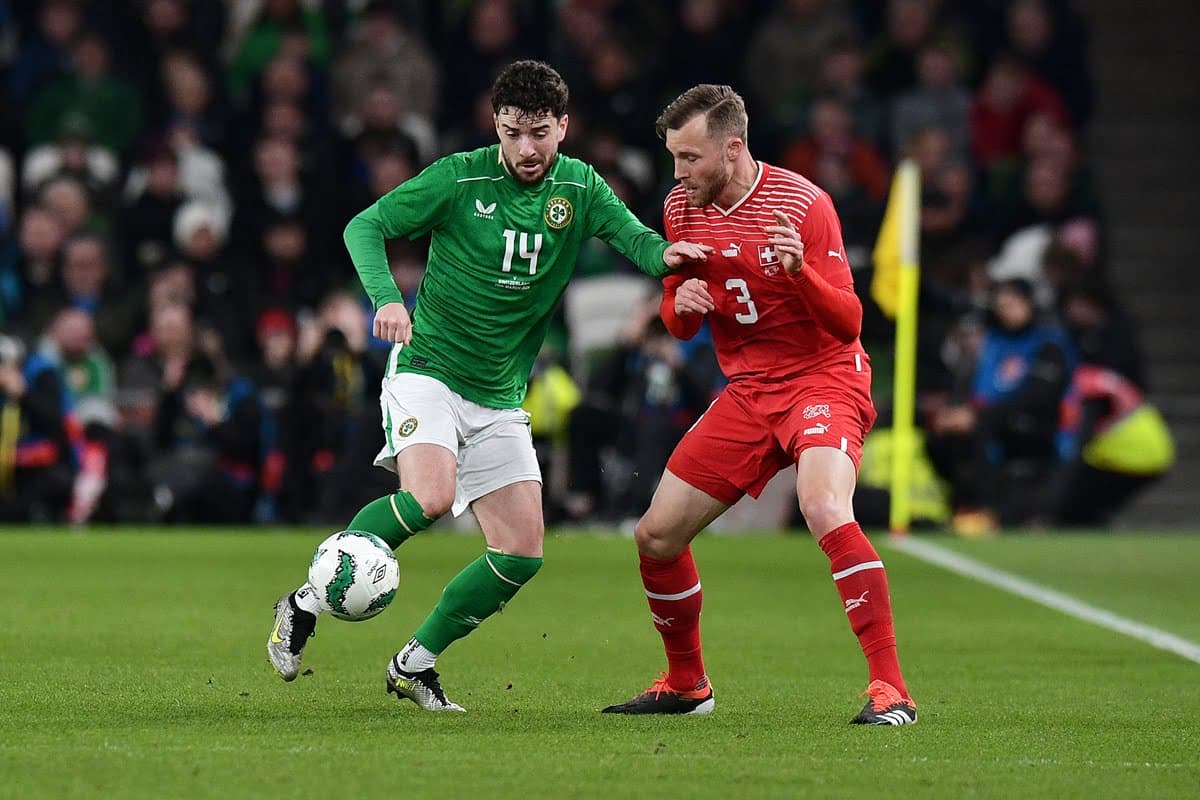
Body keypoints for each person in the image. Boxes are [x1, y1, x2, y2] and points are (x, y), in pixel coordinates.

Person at [267, 61, 710, 711]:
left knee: (521, 552)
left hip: (499, 394)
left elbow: (633, 239)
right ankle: (307, 598)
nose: (525, 149)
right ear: (495, 127)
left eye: (538, 133)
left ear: (563, 126)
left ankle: (412, 664)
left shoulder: (579, 187)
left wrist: (666, 256)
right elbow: (363, 226)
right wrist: (388, 299)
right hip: (429, 371)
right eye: (511, 134)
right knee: (429, 496)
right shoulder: (458, 178)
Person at [601, 85, 917, 725]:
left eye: (690, 158)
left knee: (824, 505)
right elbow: (681, 315)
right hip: (749, 392)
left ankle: (891, 691)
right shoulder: (680, 207)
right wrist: (677, 309)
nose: (679, 173)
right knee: (656, 536)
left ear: (733, 147)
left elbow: (850, 323)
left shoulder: (802, 203)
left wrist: (801, 274)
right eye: (673, 159)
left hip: (823, 378)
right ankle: (688, 684)